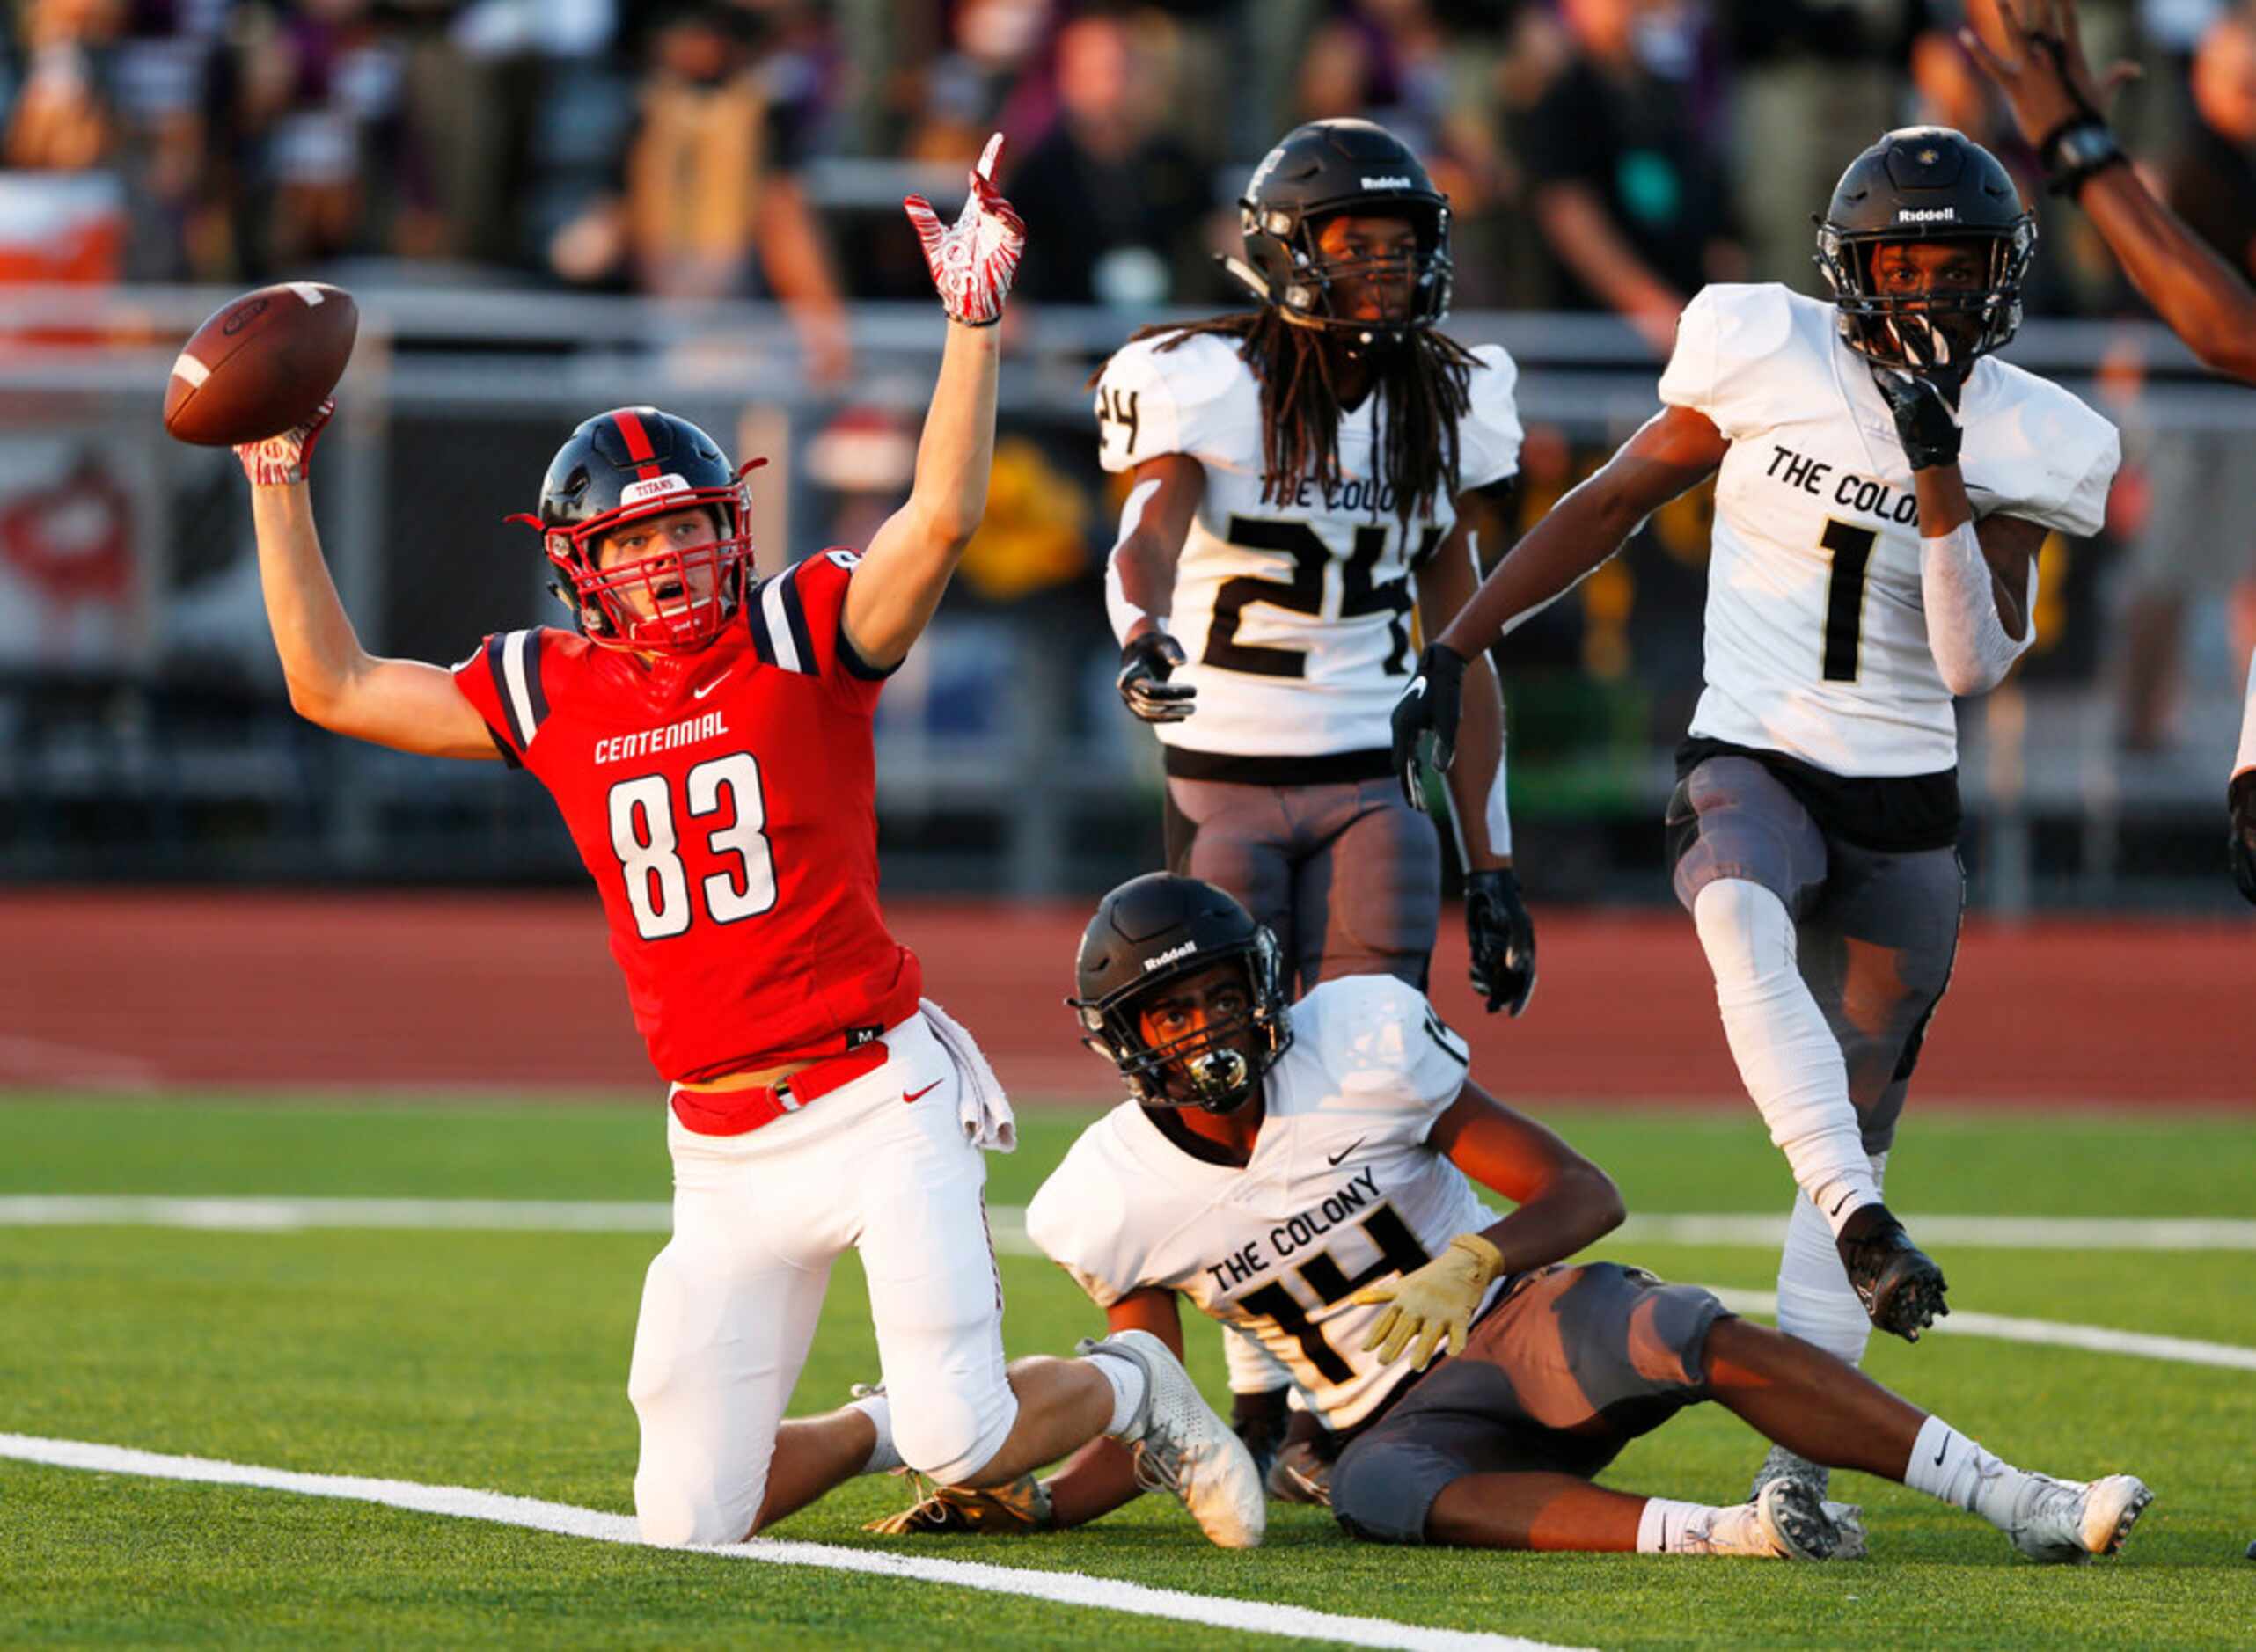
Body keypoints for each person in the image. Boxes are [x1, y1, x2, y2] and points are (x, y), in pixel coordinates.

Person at [232, 137, 1264, 1553]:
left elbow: (943, 516)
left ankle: (1134, 1381)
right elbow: (332, 685)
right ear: (580, 571)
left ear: (734, 528)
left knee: (968, 1430)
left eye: (689, 531)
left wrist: (972, 325)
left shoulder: (800, 630)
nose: (669, 561)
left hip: (874, 1093)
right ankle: (877, 1423)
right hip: (716, 1141)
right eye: (636, 544)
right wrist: (276, 468)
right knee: (688, 1517)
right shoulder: (552, 686)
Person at [1389, 128, 2121, 1508]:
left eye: (1957, 268)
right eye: (1902, 263)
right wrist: (1456, 643)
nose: (1930, 296)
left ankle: (1799, 1476)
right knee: (1734, 915)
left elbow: (1973, 662)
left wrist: (1939, 464)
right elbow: (1609, 501)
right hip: (1758, 752)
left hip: (1908, 797)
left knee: (1855, 1107)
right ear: (1848, 269)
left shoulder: (2036, 431)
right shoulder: (1761, 348)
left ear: (2003, 278)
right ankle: (1858, 1219)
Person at [869, 873, 2151, 1563]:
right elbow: (1154, 1397)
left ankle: (2016, 1495)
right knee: (1371, 1487)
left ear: (1261, 986)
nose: (1202, 1027)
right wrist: (1037, 1504)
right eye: (1169, 1014)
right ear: (1124, 1044)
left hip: (1511, 1326)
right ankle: (1732, 1538)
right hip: (1378, 1430)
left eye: (1214, 995)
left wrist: (1478, 1254)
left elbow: (1585, 1190)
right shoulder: (1107, 1195)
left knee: (1679, 1327)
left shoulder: (1363, 1038)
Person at [1095, 116, 1536, 1019]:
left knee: (1375, 1056)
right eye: (1355, 244)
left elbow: (1464, 650)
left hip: (1375, 770)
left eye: (1402, 245)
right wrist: (1141, 632)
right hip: (1222, 769)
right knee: (1227, 1052)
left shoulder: (1447, 404)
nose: (1384, 266)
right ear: (1283, 246)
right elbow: (1145, 538)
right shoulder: (1210, 382)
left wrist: (1491, 867)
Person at [1957, 0, 2256, 887]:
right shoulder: (2200, 163)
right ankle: (2143, 731)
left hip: (2216, 402)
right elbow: (2203, 321)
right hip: (2183, 411)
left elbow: (2225, 327)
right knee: (2166, 574)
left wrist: (2076, 150)